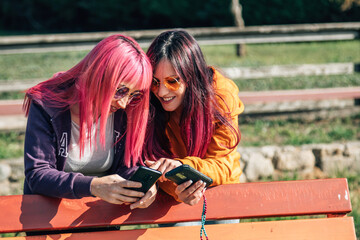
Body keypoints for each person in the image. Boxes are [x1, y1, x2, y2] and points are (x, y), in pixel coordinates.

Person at [23, 34, 155, 210]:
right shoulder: (46, 104)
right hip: (49, 222)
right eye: (120, 90)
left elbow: (126, 167)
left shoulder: (126, 111)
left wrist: (145, 186)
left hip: (102, 222)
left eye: (134, 94)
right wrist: (93, 186)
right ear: (99, 75)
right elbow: (38, 175)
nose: (124, 103)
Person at [144, 29, 244, 206]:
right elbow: (150, 162)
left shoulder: (220, 95)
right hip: (172, 194)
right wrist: (176, 189)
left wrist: (183, 168)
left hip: (220, 188)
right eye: (155, 81)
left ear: (191, 75)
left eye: (172, 81)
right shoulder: (148, 100)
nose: (161, 91)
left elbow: (223, 166)